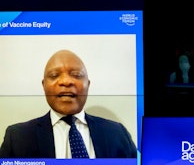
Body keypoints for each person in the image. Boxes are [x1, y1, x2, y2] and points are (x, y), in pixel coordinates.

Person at [0, 49, 137, 158]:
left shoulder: (117, 134)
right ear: (44, 85)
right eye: (54, 75)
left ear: (87, 85)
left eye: (76, 75)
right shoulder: (18, 138)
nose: (66, 81)